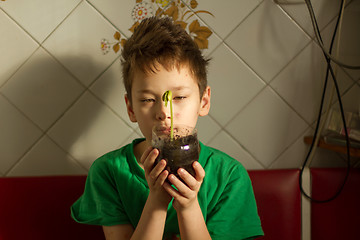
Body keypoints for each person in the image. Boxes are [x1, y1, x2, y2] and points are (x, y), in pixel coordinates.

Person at [71, 16, 264, 240]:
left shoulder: (229, 176)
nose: (164, 111)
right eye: (147, 100)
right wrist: (157, 200)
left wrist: (188, 206)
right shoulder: (109, 172)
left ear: (204, 101)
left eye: (179, 96)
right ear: (131, 108)